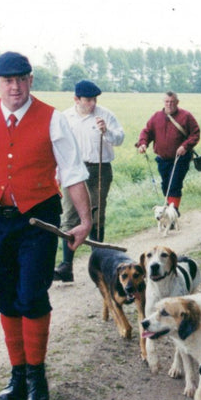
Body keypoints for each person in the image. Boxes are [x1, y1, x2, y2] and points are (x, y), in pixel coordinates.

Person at [0, 51, 92, 400]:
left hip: (37, 221)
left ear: (30, 81)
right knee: (6, 297)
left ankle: (38, 378)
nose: (15, 86)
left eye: (22, 78)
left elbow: (73, 173)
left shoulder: (53, 120)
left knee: (32, 296)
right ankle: (18, 376)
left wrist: (85, 221)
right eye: (7, 80)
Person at [53, 79, 125, 283]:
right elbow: (58, 147)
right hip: (72, 170)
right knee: (69, 216)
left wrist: (106, 132)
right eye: (88, 100)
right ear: (76, 99)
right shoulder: (65, 117)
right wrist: (58, 172)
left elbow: (119, 138)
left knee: (96, 216)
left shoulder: (105, 115)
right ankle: (66, 266)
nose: (92, 104)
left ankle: (99, 267)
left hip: (99, 169)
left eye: (94, 100)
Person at [136, 91, 200, 212]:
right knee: (165, 185)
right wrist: (143, 143)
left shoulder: (186, 116)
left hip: (181, 158)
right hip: (162, 159)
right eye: (167, 101)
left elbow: (195, 134)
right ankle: (171, 209)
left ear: (177, 102)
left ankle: (173, 212)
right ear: (163, 102)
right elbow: (147, 131)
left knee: (174, 184)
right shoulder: (156, 117)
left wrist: (185, 146)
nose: (169, 104)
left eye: (172, 102)